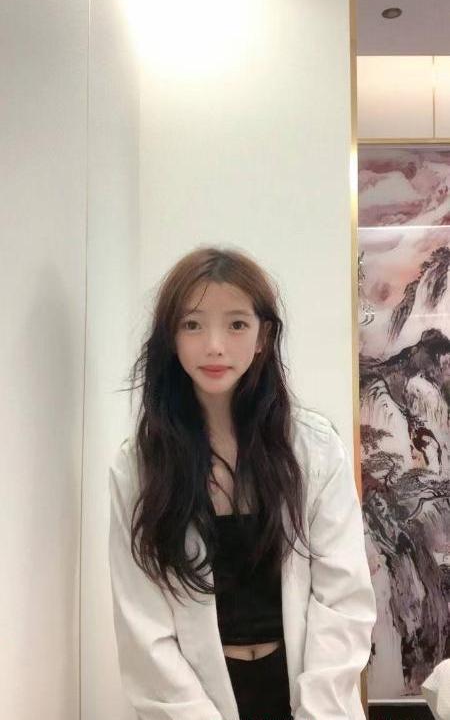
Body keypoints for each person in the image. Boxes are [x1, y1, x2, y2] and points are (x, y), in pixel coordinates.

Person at [108, 246, 377, 720]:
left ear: (262, 336)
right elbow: (144, 629)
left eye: (236, 324)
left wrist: (316, 711)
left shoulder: (314, 449)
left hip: (309, 694)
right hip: (197, 701)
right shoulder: (139, 467)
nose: (215, 345)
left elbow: (342, 599)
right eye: (193, 324)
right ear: (171, 336)